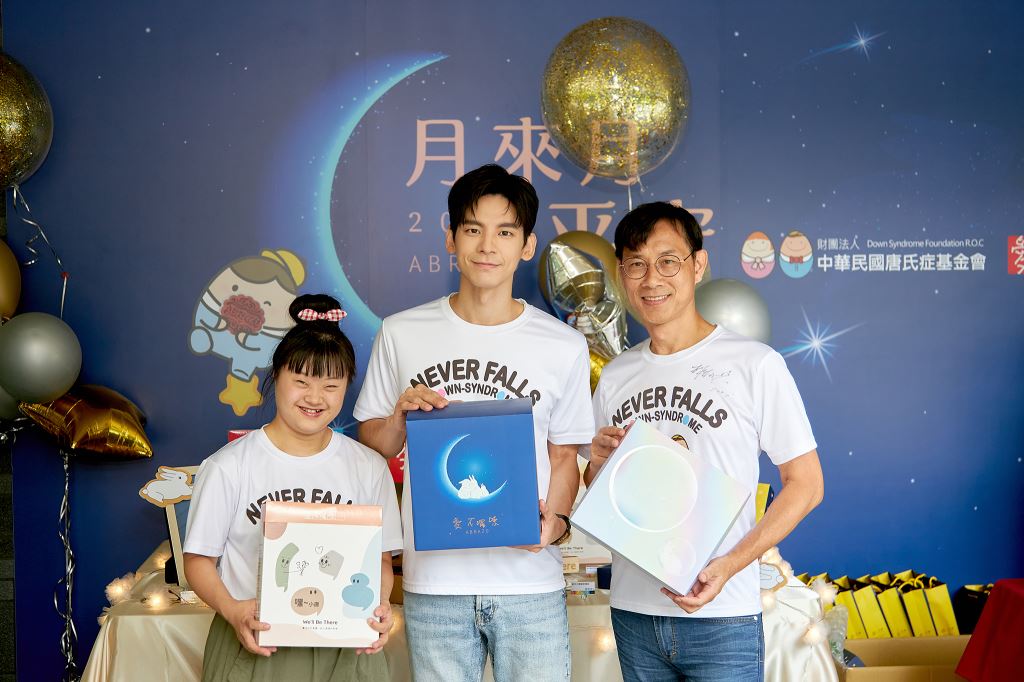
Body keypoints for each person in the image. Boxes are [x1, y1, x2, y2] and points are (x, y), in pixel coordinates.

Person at [355, 164, 594, 682]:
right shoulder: (401, 332)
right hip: (434, 582)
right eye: (472, 229)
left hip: (529, 583)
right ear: (450, 239)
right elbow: (373, 441)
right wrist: (399, 416)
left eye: (505, 232)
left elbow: (563, 457)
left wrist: (552, 526)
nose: (488, 246)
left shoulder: (563, 345)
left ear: (527, 246)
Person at [585, 202, 825, 681]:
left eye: (667, 261)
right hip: (634, 614)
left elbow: (807, 484)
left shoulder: (754, 364)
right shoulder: (616, 375)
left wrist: (730, 565)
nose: (651, 279)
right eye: (636, 264)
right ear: (621, 275)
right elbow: (598, 487)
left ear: (698, 265)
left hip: (723, 617)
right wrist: (597, 462)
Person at [183, 293, 401, 682]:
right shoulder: (229, 466)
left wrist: (378, 604)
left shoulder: (369, 467)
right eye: (301, 382)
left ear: (346, 386)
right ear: (277, 376)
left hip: (347, 651)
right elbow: (198, 561)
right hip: (256, 646)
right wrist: (233, 610)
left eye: (331, 385)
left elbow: (381, 561)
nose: (315, 398)